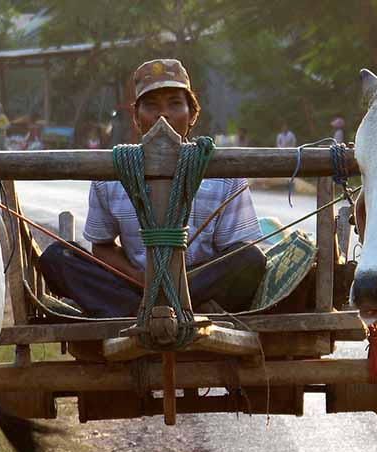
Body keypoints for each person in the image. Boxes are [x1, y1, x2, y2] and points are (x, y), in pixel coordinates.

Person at [40, 58, 266, 318]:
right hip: (136, 285)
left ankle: (149, 310)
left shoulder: (222, 172)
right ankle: (156, 310)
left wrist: (177, 285)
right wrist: (139, 278)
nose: (163, 114)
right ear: (136, 117)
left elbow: (236, 251)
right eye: (151, 106)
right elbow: (102, 246)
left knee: (250, 258)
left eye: (174, 104)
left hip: (198, 284)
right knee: (57, 257)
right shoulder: (111, 173)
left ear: (192, 114)